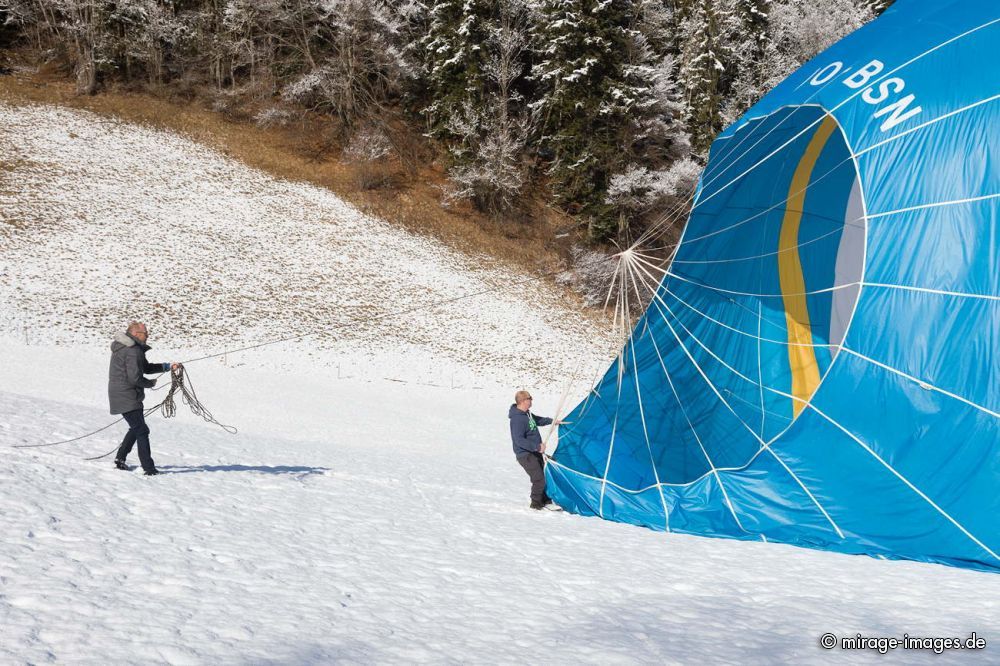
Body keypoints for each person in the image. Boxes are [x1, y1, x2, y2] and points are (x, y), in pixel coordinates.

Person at [108, 322, 179, 475]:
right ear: (135, 333)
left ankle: (120, 459)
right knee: (141, 430)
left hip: (125, 394)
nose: (148, 335)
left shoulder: (130, 349)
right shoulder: (132, 351)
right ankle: (149, 468)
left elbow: (145, 368)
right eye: (145, 333)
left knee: (136, 427)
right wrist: (149, 383)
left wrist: (167, 367)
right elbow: (135, 378)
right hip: (126, 395)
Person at [508, 390, 562, 510]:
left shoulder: (527, 414)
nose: (531, 401)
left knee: (545, 475)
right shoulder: (517, 419)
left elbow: (538, 420)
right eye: (529, 399)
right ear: (523, 401)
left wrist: (553, 422)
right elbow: (519, 440)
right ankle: (536, 504)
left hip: (534, 452)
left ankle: (546, 500)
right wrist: (537, 446)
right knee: (538, 479)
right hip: (525, 455)